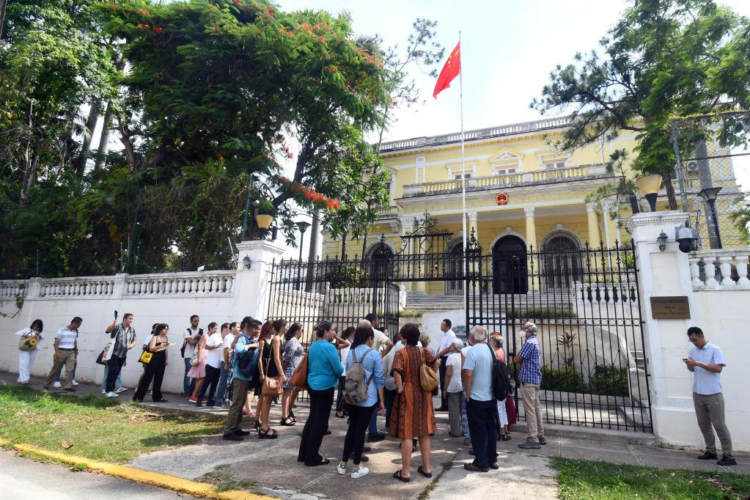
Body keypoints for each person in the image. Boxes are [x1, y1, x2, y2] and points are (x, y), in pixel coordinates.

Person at [389, 323, 439, 483]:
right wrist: (430, 377)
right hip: (424, 393)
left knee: (408, 433)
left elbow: (397, 371)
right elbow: (436, 363)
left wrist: (399, 388)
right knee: (424, 430)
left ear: (404, 338)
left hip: (408, 392)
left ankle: (405, 472)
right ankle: (426, 468)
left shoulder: (401, 353)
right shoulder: (424, 351)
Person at [337, 326, 385, 479]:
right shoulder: (374, 354)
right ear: (369, 338)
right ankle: (356, 467)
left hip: (352, 396)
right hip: (367, 398)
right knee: (360, 431)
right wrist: (381, 400)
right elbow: (379, 379)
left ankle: (343, 464)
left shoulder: (351, 352)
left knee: (351, 429)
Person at [684, 326, 735, 466]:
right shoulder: (693, 350)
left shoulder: (715, 349)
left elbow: (718, 369)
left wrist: (699, 363)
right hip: (698, 393)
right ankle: (711, 451)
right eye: (691, 340)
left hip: (713, 393)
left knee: (719, 425)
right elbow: (692, 369)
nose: (694, 342)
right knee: (703, 424)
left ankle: (728, 455)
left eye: (695, 339)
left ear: (701, 336)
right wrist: (690, 364)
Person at [298, 321, 343, 466]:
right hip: (325, 386)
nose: (334, 333)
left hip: (313, 384)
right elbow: (339, 369)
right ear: (326, 332)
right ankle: (312, 456)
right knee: (320, 423)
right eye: (332, 330)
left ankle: (303, 454)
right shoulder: (329, 347)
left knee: (312, 419)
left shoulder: (313, 346)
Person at [463, 326, 498, 472]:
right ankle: (492, 459)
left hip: (477, 398)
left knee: (478, 431)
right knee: (491, 429)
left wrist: (468, 392)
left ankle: (481, 462)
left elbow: (468, 374)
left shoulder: (473, 351)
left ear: (473, 337)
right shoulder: (491, 350)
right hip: (491, 396)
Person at [223, 317, 262, 441]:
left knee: (240, 404)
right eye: (258, 330)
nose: (259, 332)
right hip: (240, 375)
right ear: (253, 329)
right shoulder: (243, 338)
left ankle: (236, 428)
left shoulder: (248, 338)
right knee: (237, 403)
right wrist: (252, 345)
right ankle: (229, 431)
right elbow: (238, 349)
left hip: (245, 375)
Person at [514, 322, 545, 449]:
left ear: (529, 331)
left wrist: (515, 357)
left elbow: (517, 359)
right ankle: (540, 434)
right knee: (536, 408)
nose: (522, 330)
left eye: (524, 329)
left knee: (530, 410)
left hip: (528, 381)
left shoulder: (529, 343)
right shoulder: (536, 342)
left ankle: (533, 438)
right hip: (535, 380)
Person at [363, 314, 393, 443]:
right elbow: (390, 343)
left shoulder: (359, 332)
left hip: (357, 367)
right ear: (374, 322)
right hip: (372, 366)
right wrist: (382, 354)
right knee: (373, 401)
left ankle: (359, 429)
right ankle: (373, 431)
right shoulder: (375, 333)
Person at [257, 320, 286, 438]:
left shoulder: (277, 339)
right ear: (282, 327)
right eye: (286, 326)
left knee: (268, 400)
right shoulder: (276, 339)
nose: (287, 328)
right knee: (267, 400)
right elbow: (276, 359)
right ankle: (264, 427)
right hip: (272, 371)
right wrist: (282, 374)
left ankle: (264, 426)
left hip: (274, 371)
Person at [133, 323, 170, 402]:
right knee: (147, 377)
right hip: (154, 357)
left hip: (162, 357)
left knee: (159, 378)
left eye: (167, 329)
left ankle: (157, 397)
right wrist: (160, 345)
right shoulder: (155, 337)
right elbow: (151, 348)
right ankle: (138, 397)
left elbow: (166, 349)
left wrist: (166, 359)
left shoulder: (166, 337)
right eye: (165, 329)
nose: (166, 331)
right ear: (160, 329)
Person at [44, 317, 82, 392]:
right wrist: (57, 352)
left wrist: (76, 350)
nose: (78, 327)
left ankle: (68, 386)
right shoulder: (62, 330)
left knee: (70, 369)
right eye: (78, 325)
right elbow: (56, 342)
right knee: (55, 369)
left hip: (71, 352)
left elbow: (74, 341)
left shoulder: (75, 331)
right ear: (74, 323)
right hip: (61, 351)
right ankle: (46, 384)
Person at [104, 313, 137, 398]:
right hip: (113, 353)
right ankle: (108, 391)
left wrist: (131, 345)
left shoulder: (132, 330)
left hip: (123, 355)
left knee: (117, 372)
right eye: (130, 319)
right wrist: (113, 325)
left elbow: (134, 341)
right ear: (125, 319)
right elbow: (107, 330)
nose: (131, 320)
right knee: (113, 371)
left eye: (132, 319)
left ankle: (111, 390)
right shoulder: (118, 326)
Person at [282, 323, 305, 423]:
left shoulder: (292, 341)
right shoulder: (293, 341)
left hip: (293, 369)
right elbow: (288, 357)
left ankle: (287, 414)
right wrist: (282, 370)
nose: (302, 332)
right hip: (290, 369)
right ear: (297, 331)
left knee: (289, 393)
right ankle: (284, 416)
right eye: (302, 330)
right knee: (287, 393)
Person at [197, 322, 223, 407]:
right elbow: (205, 346)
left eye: (216, 328)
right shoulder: (213, 337)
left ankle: (211, 400)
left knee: (215, 383)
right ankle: (199, 399)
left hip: (219, 364)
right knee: (206, 382)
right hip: (210, 363)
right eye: (214, 328)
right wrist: (216, 346)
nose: (216, 330)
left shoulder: (225, 338)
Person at [490, 334, 510, 441]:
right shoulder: (502, 352)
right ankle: (505, 429)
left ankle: (502, 431)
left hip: (500, 383)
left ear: (494, 342)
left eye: (491, 341)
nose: (490, 342)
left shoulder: (496, 353)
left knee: (499, 408)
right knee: (502, 407)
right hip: (504, 382)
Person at [434, 319, 457, 412]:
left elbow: (448, 348)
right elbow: (442, 346)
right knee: (443, 381)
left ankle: (446, 404)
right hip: (442, 358)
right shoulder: (444, 334)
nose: (441, 326)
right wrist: (438, 351)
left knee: (445, 381)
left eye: (443, 325)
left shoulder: (451, 335)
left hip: (447, 358)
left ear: (447, 326)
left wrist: (438, 354)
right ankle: (444, 404)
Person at [381, 331, 402, 431]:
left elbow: (383, 371)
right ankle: (398, 426)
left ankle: (388, 425)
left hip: (390, 382)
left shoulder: (389, 353)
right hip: (401, 382)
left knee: (389, 404)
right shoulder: (404, 352)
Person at [443, 339, 464, 437]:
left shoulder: (451, 357)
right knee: (463, 409)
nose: (450, 346)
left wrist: (445, 388)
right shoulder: (463, 356)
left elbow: (448, 374)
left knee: (454, 409)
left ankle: (455, 431)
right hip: (462, 384)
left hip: (453, 385)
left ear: (455, 346)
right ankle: (465, 429)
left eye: (451, 344)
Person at [335, 327, 356, 419]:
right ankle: (339, 410)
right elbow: (345, 358)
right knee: (342, 392)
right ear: (352, 333)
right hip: (344, 371)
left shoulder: (351, 343)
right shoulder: (346, 343)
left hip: (348, 371)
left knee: (347, 392)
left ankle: (344, 409)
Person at [16, 319, 44, 385]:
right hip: (25, 347)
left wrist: (38, 335)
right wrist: (24, 335)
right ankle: (24, 379)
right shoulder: (27, 329)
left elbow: (42, 338)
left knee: (30, 364)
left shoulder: (40, 332)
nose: (36, 327)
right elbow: (17, 333)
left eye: (37, 326)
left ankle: (22, 379)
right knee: (24, 363)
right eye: (35, 325)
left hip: (34, 349)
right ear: (33, 324)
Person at [188, 324, 210, 403]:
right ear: (210, 328)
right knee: (202, 377)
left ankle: (195, 396)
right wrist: (199, 358)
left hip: (204, 357)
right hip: (203, 357)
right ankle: (194, 396)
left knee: (200, 377)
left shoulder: (208, 336)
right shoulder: (205, 336)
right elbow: (200, 347)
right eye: (214, 328)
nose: (215, 330)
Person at [182, 315, 203, 396]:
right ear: (191, 321)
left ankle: (192, 391)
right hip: (188, 355)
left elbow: (205, 341)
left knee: (196, 374)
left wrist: (199, 338)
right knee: (188, 374)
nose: (197, 323)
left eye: (198, 321)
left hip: (198, 355)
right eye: (195, 321)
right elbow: (191, 342)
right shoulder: (187, 331)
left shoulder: (201, 331)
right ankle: (186, 392)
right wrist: (197, 338)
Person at [216, 323, 234, 406]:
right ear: (232, 328)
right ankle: (219, 401)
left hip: (231, 362)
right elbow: (226, 350)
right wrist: (227, 363)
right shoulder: (228, 337)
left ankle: (225, 399)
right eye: (237, 327)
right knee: (223, 382)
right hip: (226, 362)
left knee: (228, 382)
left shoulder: (234, 337)